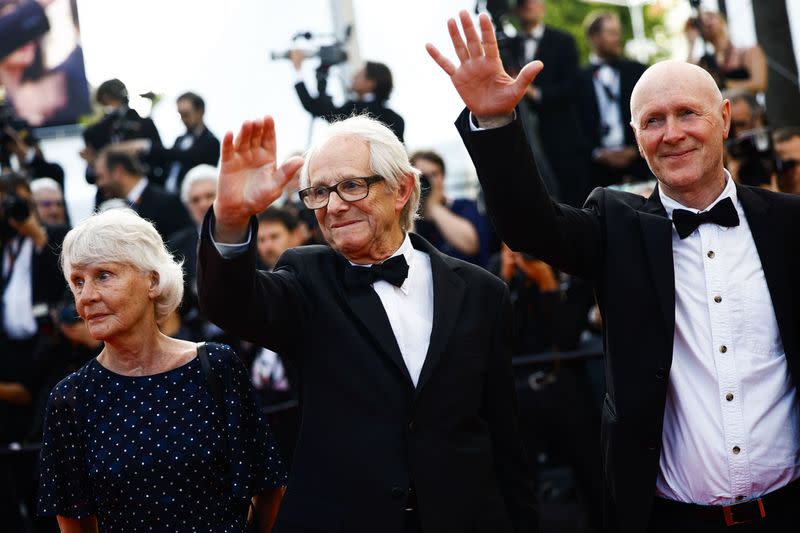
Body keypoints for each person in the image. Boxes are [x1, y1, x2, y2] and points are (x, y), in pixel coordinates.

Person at [427, 10, 800, 533]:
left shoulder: (788, 223)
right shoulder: (615, 225)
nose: (672, 134)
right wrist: (495, 123)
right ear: (635, 133)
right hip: (669, 520)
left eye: (688, 114)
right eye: (652, 120)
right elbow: (528, 225)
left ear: (725, 117)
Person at [197, 114, 537, 532]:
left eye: (352, 185)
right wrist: (230, 220)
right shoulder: (305, 278)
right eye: (319, 192)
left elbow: (506, 439)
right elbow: (231, 304)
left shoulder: (482, 292)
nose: (334, 206)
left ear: (402, 189)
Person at [37, 208, 287, 532]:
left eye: (103, 275)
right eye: (78, 281)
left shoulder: (217, 367)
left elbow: (268, 488)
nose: (86, 296)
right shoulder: (70, 399)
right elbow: (76, 524)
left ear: (152, 280)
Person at [504, 0, 590, 206]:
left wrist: (535, 93)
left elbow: (573, 87)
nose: (527, 5)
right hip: (526, 138)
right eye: (522, 3)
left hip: (562, 136)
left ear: (542, 6)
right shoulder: (508, 46)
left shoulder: (562, 40)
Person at [576, 11, 650, 188]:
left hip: (639, 161)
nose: (617, 38)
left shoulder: (638, 71)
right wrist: (597, 153)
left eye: (618, 32)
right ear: (594, 38)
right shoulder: (578, 79)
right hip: (597, 170)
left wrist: (634, 148)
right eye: (611, 33)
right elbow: (576, 121)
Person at [289, 52, 405, 143]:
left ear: (370, 83)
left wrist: (298, 69)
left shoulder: (354, 112)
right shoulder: (396, 119)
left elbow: (316, 107)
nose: (353, 77)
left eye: (359, 74)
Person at [410, 150, 489, 266]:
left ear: (443, 176)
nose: (429, 182)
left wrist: (433, 205)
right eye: (423, 177)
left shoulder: (464, 206)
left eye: (434, 174)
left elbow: (471, 245)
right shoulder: (410, 217)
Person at [93, 148, 192, 239]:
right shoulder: (110, 207)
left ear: (118, 171)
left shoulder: (168, 203)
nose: (99, 183)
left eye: (101, 176)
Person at [686, 10, 767, 94]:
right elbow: (688, 80)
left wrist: (724, 84)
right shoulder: (706, 62)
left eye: (710, 17)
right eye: (701, 23)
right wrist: (691, 43)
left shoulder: (748, 51)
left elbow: (759, 84)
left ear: (721, 20)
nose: (707, 22)